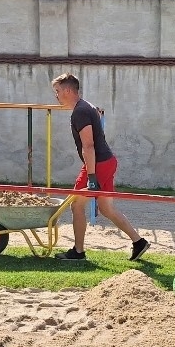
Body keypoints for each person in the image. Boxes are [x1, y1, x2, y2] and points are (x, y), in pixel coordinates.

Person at [51, 73, 149, 262]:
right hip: (106, 161)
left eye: (57, 91)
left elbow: (88, 145)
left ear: (68, 90)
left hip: (99, 164)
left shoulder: (80, 111)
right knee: (106, 208)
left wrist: (92, 177)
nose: (56, 95)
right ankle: (139, 242)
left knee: (76, 205)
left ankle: (78, 252)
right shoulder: (84, 106)